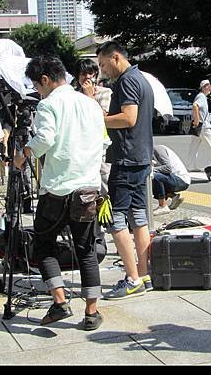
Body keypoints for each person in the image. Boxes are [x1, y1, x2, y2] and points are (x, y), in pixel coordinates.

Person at [16, 55, 106, 331]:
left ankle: (60, 301)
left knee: (44, 246)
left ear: (45, 80)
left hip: (56, 190)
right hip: (88, 190)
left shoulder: (48, 104)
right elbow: (103, 142)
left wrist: (23, 154)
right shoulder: (90, 104)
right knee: (87, 251)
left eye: (37, 86)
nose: (38, 92)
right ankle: (91, 312)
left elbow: (45, 139)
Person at [97, 41, 154, 300]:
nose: (102, 70)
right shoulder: (141, 79)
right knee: (139, 217)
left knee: (117, 219)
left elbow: (129, 118)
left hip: (127, 159)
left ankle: (132, 279)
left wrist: (99, 118)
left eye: (103, 64)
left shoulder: (126, 81)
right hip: (140, 157)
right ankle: (144, 275)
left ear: (116, 58)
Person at [73, 58, 113, 196]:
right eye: (83, 74)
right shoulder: (73, 95)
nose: (87, 77)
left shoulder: (105, 92)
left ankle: (107, 213)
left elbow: (103, 117)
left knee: (104, 180)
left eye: (91, 73)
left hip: (100, 145)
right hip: (80, 145)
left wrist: (90, 98)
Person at [152, 144, 191, 215]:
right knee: (149, 177)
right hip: (174, 178)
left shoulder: (158, 149)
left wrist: (152, 169)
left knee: (154, 176)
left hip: (181, 180)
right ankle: (174, 196)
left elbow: (168, 168)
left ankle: (163, 206)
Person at [186, 79, 211, 172]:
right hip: (203, 126)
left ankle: (191, 165)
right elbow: (195, 106)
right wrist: (197, 119)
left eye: (210, 86)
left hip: (199, 126)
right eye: (207, 86)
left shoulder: (201, 96)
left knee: (194, 146)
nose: (209, 88)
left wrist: (196, 120)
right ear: (203, 88)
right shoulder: (201, 97)